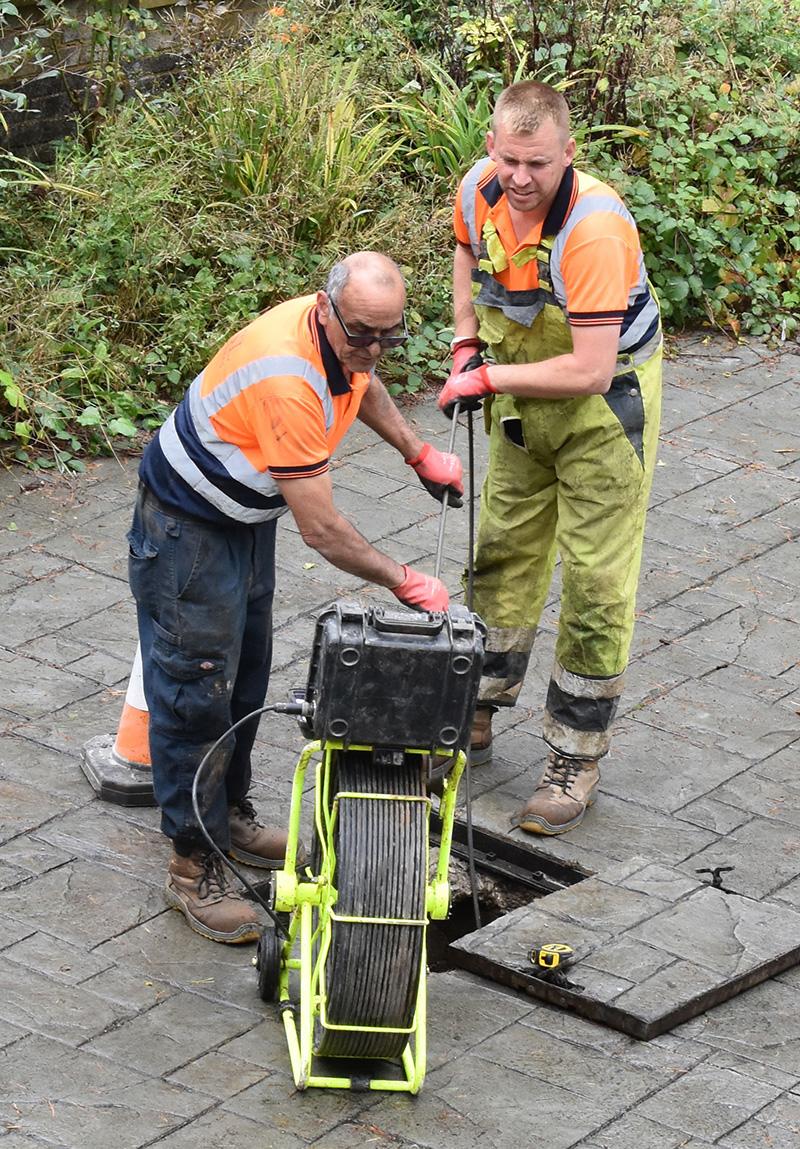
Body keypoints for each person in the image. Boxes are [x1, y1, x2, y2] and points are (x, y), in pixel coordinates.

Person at [128, 251, 463, 943]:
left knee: (245, 678)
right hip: (189, 528)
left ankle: (234, 815)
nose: (373, 349)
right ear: (325, 306)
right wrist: (405, 580)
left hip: (241, 519)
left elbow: (361, 381)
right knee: (196, 692)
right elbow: (323, 529)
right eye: (362, 332)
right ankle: (192, 869)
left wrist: (415, 450)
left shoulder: (338, 343)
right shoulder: (287, 376)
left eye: (389, 335)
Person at [438, 80, 662, 836]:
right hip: (520, 396)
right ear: (493, 147)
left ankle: (575, 752)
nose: (521, 178)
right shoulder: (478, 188)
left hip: (603, 408)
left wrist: (487, 376)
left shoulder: (595, 230)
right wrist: (467, 335)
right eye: (509, 160)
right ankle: (476, 707)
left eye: (537, 162)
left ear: (570, 153)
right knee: (502, 548)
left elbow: (589, 369)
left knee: (597, 577)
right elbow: (469, 257)